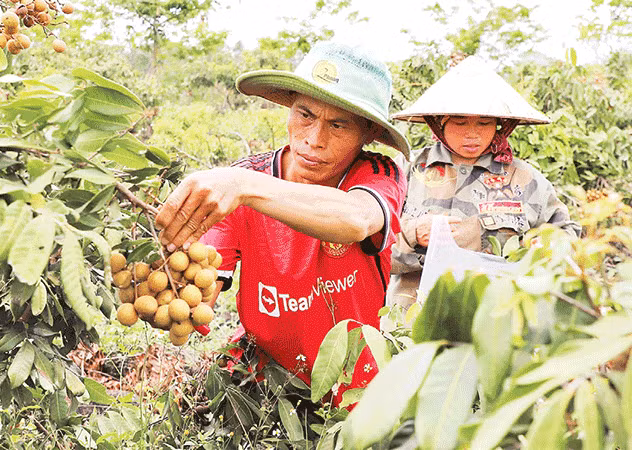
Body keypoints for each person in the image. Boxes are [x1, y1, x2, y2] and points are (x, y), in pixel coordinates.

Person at [154, 42, 409, 404]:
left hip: (354, 386)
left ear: (367, 133)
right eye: (305, 114)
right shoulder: (245, 179)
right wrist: (178, 291)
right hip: (265, 377)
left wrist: (243, 187)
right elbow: (207, 275)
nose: (314, 139)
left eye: (338, 124)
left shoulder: (375, 173)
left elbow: (355, 218)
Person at [387, 56, 581, 307]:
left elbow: (568, 241)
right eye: (459, 122)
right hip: (412, 324)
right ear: (439, 122)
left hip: (497, 322)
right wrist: (414, 233)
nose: (472, 133)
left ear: (501, 126)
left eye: (484, 122)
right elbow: (370, 248)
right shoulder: (406, 170)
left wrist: (531, 250)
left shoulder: (525, 179)